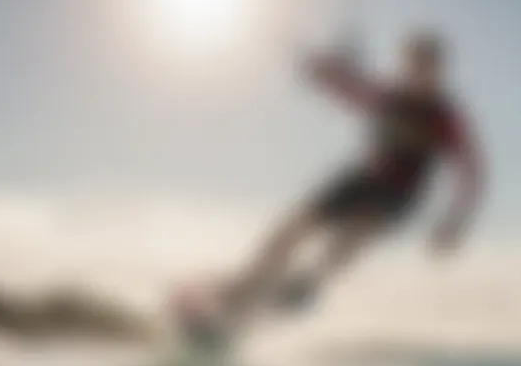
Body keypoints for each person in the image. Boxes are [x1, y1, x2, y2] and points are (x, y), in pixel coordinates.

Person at [173, 30, 487, 339]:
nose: (419, 73)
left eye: (427, 67)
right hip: (360, 179)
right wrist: (323, 73)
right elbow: (352, 91)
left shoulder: (446, 118)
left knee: (349, 240)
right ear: (406, 65)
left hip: (398, 195)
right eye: (413, 65)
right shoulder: (391, 97)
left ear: (439, 70)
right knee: (290, 230)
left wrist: (455, 222)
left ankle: (302, 288)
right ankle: (238, 296)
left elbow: (471, 172)